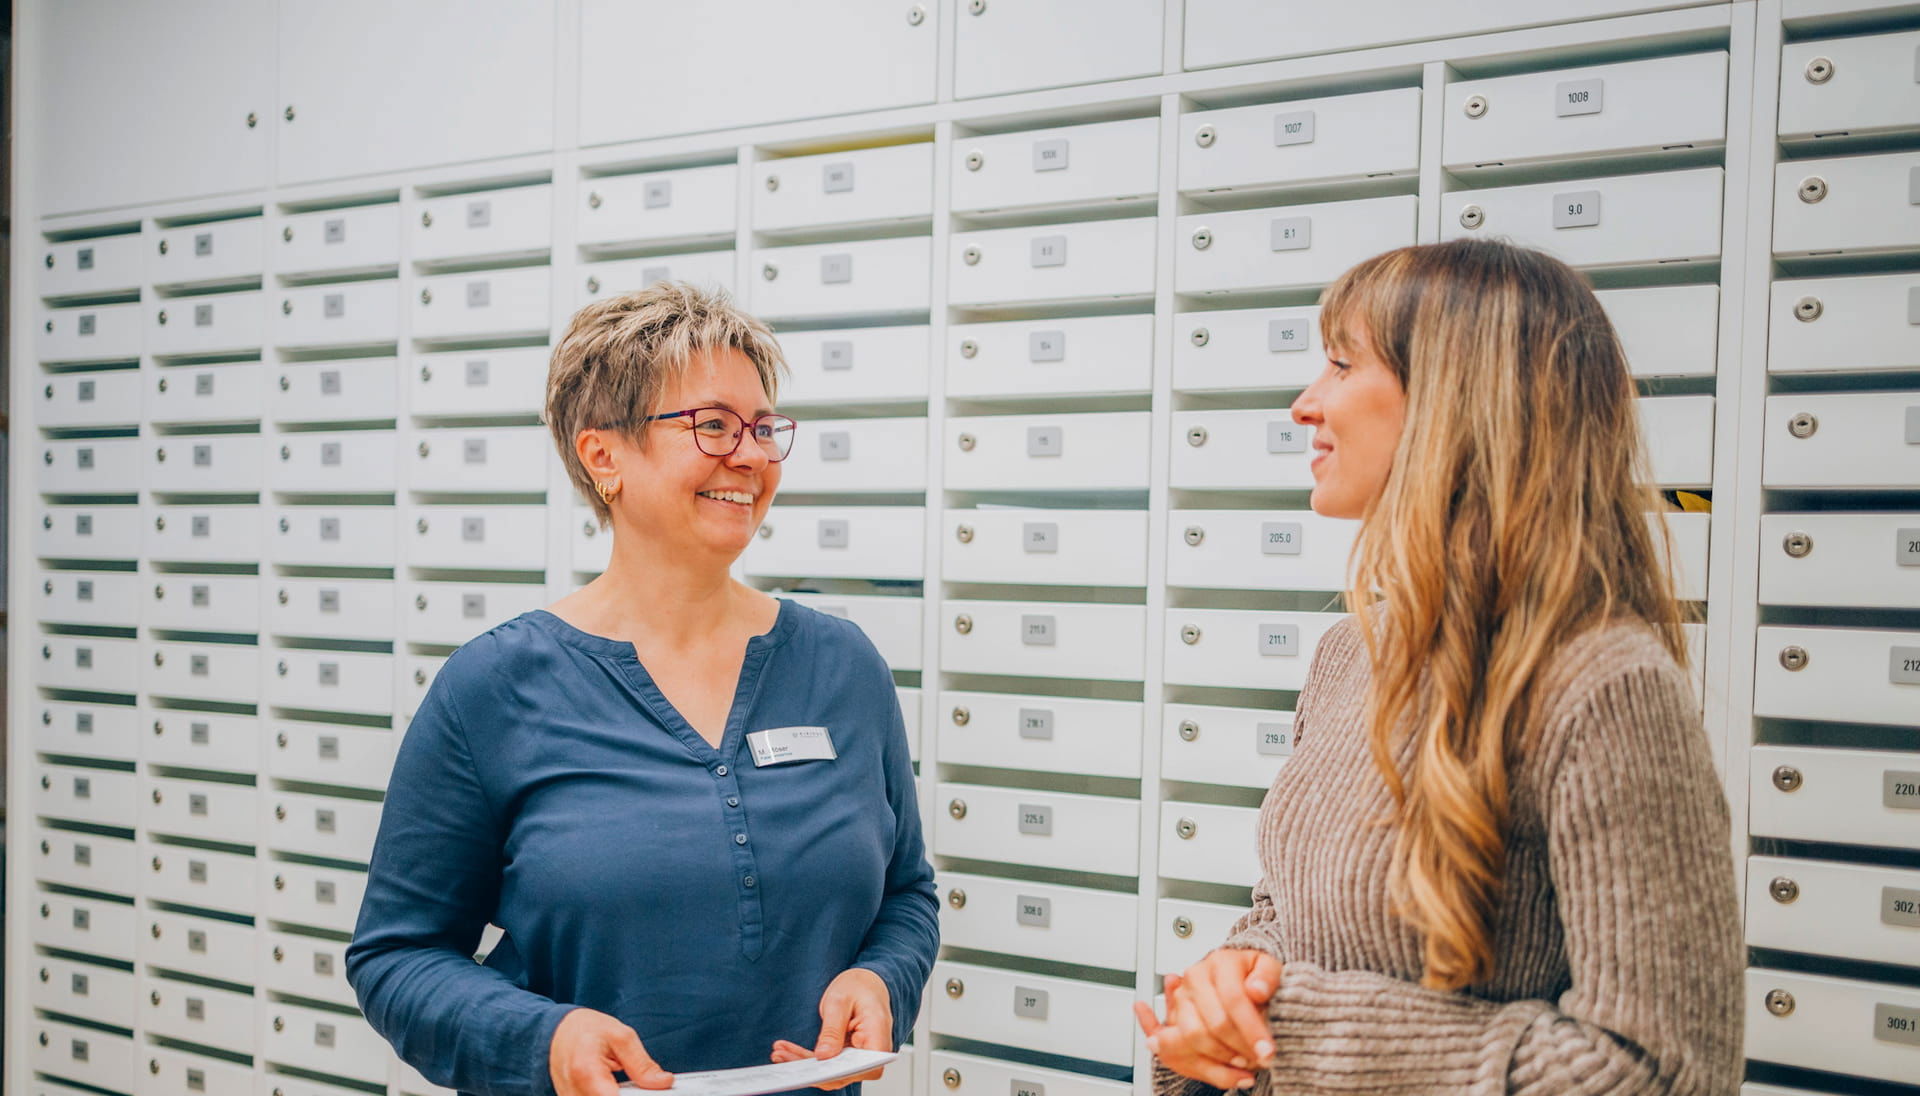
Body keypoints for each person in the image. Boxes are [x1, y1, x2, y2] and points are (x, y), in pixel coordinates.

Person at [1135, 239, 1741, 1095]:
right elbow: (1291, 913)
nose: (1305, 403)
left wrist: (1290, 1031)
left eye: (1342, 364)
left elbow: (1661, 1071)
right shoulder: (1351, 652)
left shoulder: (1605, 686)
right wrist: (1230, 988)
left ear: (1452, 402)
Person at [346, 283, 939, 1096]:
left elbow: (907, 895)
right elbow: (397, 956)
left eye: (764, 428)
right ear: (604, 457)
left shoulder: (843, 667)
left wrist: (880, 982)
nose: (752, 456)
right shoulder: (492, 688)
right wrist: (546, 1040)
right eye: (714, 425)